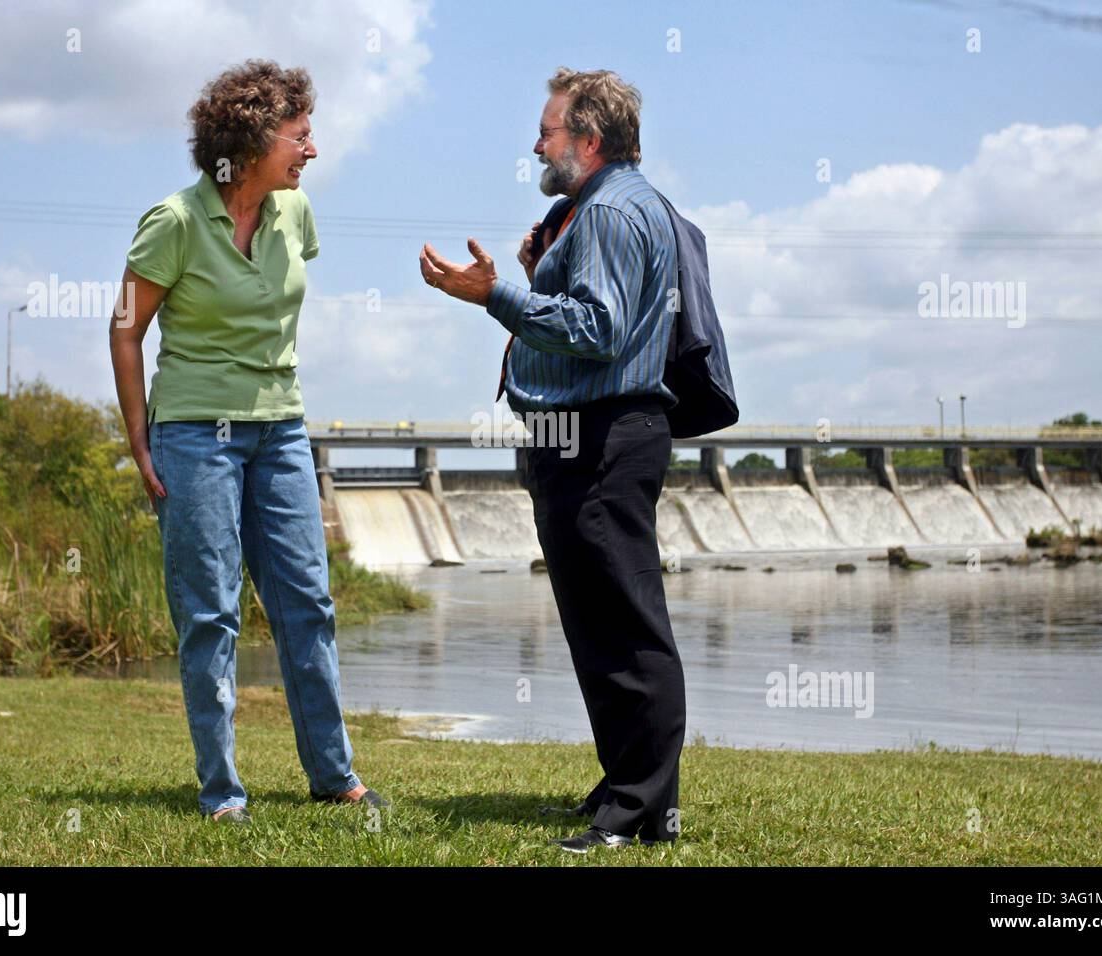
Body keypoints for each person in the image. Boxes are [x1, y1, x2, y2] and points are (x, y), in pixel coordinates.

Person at [108, 59, 387, 825]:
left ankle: (335, 779)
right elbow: (127, 329)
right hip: (194, 434)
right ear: (253, 140)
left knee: (308, 601)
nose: (313, 151)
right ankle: (223, 793)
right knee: (210, 613)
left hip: (281, 428)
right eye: (300, 137)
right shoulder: (173, 221)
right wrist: (141, 438)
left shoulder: (294, 216)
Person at [419, 67, 684, 852]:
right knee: (598, 624)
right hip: (585, 435)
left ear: (589, 139)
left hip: (602, 438)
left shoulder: (608, 214)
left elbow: (597, 330)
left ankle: (642, 809)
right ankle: (628, 784)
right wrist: (537, 273)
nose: (537, 144)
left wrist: (496, 294)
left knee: (626, 625)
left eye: (548, 130)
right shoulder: (601, 208)